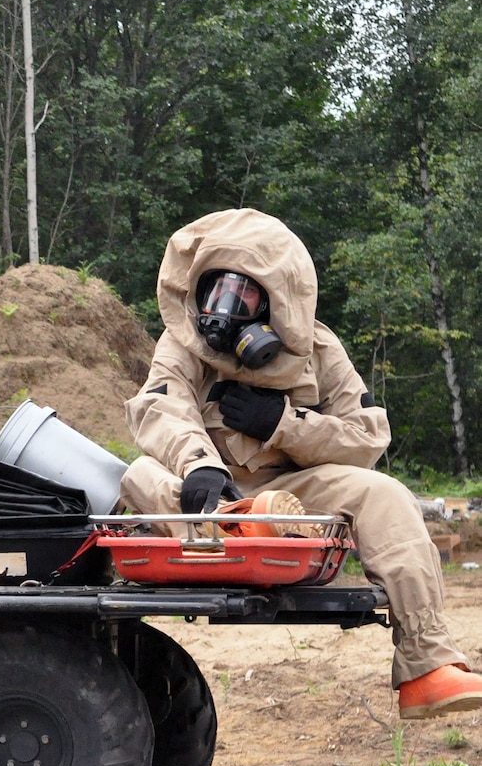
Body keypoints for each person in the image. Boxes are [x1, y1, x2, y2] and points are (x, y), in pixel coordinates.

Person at [121, 207, 482, 720]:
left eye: (245, 293)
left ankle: (428, 665)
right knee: (137, 473)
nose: (227, 306)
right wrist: (200, 464)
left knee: (385, 493)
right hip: (206, 496)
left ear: (277, 301)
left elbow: (367, 438)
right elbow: (161, 406)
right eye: (218, 289)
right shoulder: (182, 343)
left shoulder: (318, 348)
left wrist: (285, 425)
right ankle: (239, 522)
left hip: (291, 492)